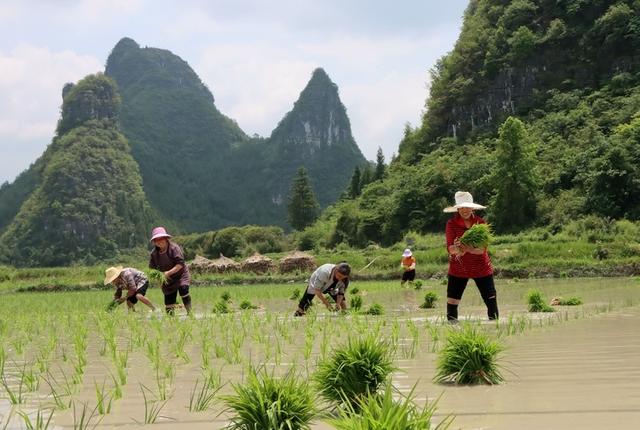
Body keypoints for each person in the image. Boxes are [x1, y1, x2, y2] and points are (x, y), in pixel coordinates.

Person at [444, 191, 498, 322]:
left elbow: (482, 250)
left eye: (467, 207)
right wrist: (457, 248)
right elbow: (450, 249)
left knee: (491, 300)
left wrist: (466, 248)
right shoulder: (451, 224)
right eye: (461, 207)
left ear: (472, 208)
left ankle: (495, 329)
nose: (465, 210)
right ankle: (452, 331)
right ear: (458, 209)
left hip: (481, 267)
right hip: (459, 268)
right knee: (452, 302)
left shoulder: (480, 224)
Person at [148, 227, 192, 315]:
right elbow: (152, 269)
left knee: (183, 289)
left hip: (180, 275)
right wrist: (160, 281)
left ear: (166, 238)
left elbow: (180, 264)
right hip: (167, 278)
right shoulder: (154, 254)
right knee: (169, 302)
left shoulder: (174, 248)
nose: (159, 241)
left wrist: (168, 273)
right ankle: (171, 320)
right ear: (154, 242)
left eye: (161, 238)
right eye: (156, 240)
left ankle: (190, 314)